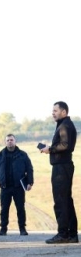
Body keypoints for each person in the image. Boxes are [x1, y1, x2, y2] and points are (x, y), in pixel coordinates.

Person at [40, 101, 77, 243]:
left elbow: (66, 145)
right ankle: (72, 234)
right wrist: (50, 148)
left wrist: (50, 149)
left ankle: (63, 234)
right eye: (52, 110)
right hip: (64, 166)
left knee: (60, 201)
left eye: (55, 110)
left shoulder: (65, 126)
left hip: (61, 168)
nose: (53, 113)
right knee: (66, 200)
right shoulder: (64, 125)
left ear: (64, 112)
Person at [0, 134, 33, 236]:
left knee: (20, 208)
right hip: (5, 187)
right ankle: (3, 229)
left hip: (18, 187)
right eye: (8, 140)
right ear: (5, 142)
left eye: (11, 140)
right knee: (4, 208)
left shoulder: (23, 155)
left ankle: (22, 229)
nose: (10, 141)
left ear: (15, 141)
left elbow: (29, 169)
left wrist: (30, 182)